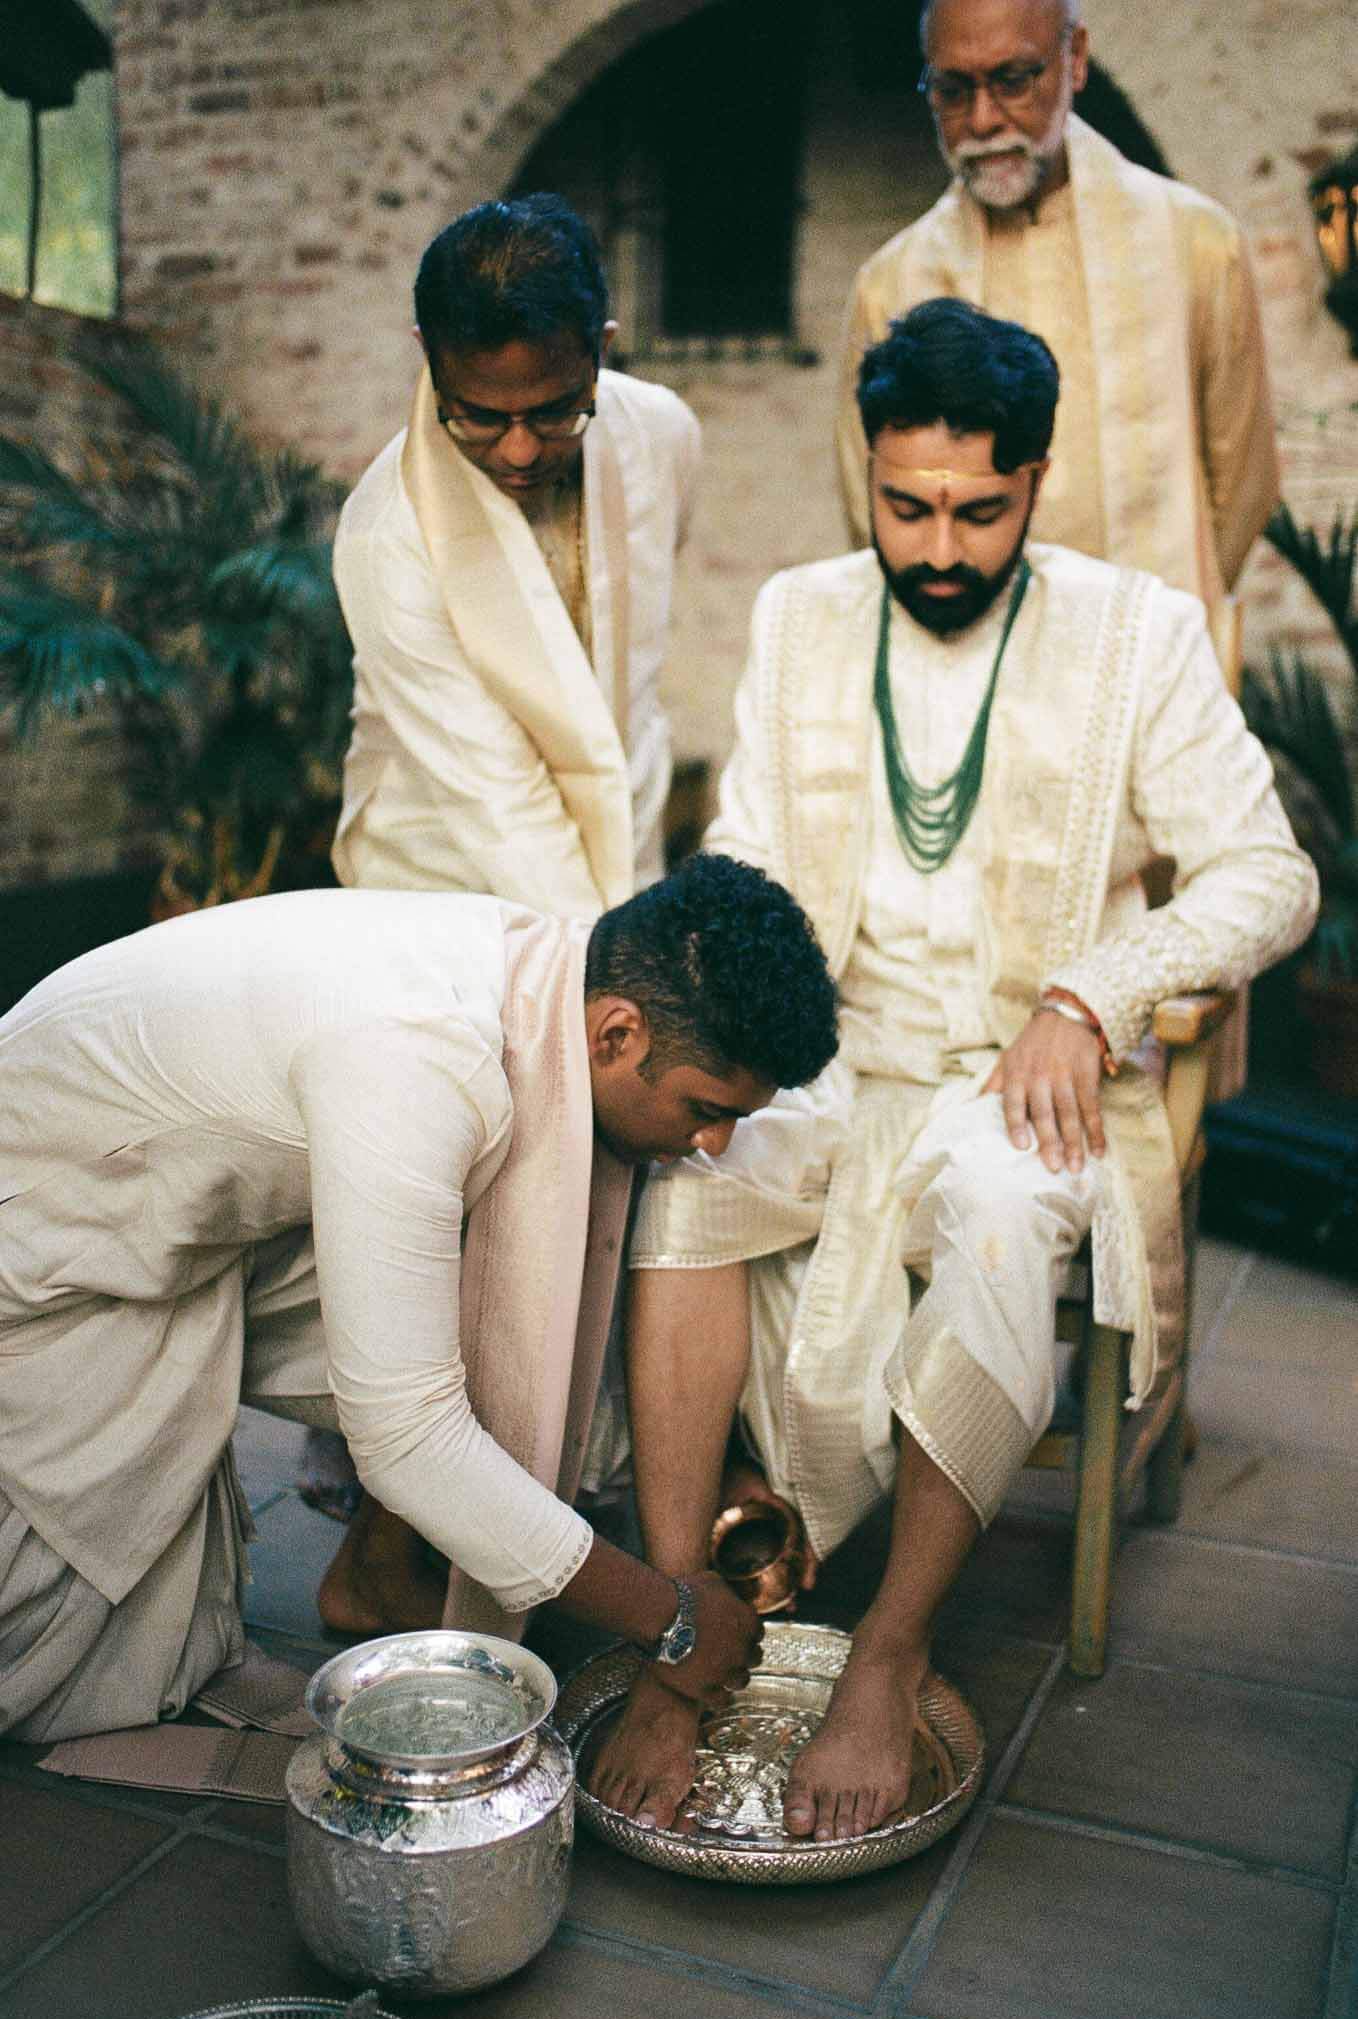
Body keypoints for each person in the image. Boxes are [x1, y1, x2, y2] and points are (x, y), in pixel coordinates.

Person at [590, 301, 1315, 1847]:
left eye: (976, 511)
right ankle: (680, 1619)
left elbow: (1270, 876)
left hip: (1016, 1077)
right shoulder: (799, 616)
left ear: (1033, 481)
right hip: (827, 1059)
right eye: (903, 506)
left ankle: (890, 1645)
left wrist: (1092, 994)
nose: (934, 546)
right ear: (865, 470)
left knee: (993, 1226)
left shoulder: (1135, 633)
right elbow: (749, 858)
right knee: (681, 1189)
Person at [0, 855, 840, 1743]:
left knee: (494, 1284)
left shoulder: (546, 974)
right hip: (53, 1241)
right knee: (67, 1664)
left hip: (176, 1209)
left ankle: (380, 1569)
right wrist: (667, 1618)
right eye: (706, 1109)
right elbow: (406, 1437)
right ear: (617, 1034)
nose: (714, 1145)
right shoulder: (421, 1057)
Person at [835, 0, 1279, 613]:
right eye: (953, 91)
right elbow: (873, 512)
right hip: (967, 651)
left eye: (1013, 81)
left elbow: (1245, 482)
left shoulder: (1196, 245)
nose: (983, 119)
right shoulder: (891, 283)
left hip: (1152, 639)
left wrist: (1167, 624)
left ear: (1074, 59)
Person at [331, 191, 699, 913]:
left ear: (602, 349)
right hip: (444, 886)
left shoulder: (666, 435)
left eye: (556, 411)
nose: (521, 451)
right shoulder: (387, 534)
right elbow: (502, 807)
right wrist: (612, 953)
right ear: (427, 353)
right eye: (479, 417)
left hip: (629, 848)